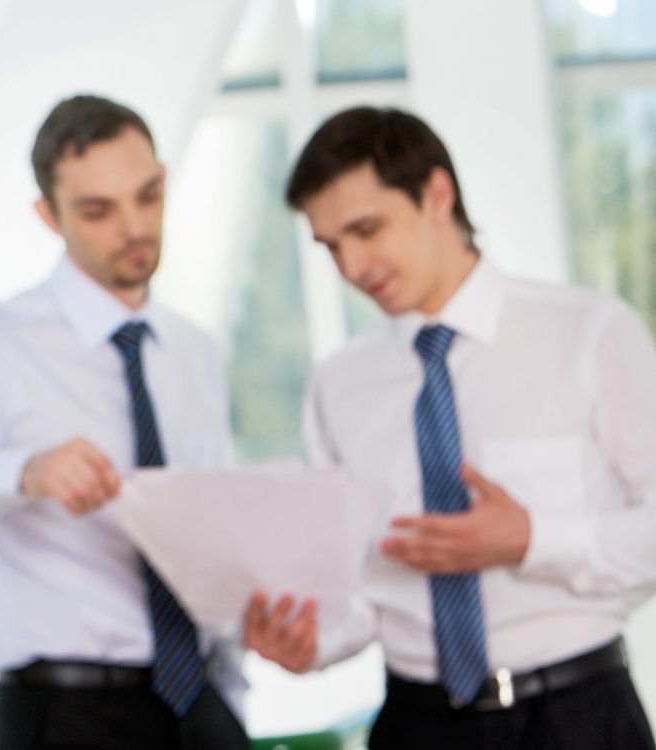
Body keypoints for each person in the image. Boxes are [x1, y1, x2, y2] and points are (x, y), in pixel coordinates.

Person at [245, 106, 656, 749]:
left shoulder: (589, 334)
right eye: (331, 246)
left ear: (438, 194)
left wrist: (531, 538)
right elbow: (358, 587)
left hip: (578, 717)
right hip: (418, 725)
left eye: (366, 229)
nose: (352, 266)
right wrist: (307, 646)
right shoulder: (340, 385)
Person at [0, 94, 249, 749]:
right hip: (68, 716)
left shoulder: (195, 352)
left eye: (148, 195)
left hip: (202, 709)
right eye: (98, 210)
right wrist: (23, 472)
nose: (134, 226)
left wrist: (234, 696)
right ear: (49, 216)